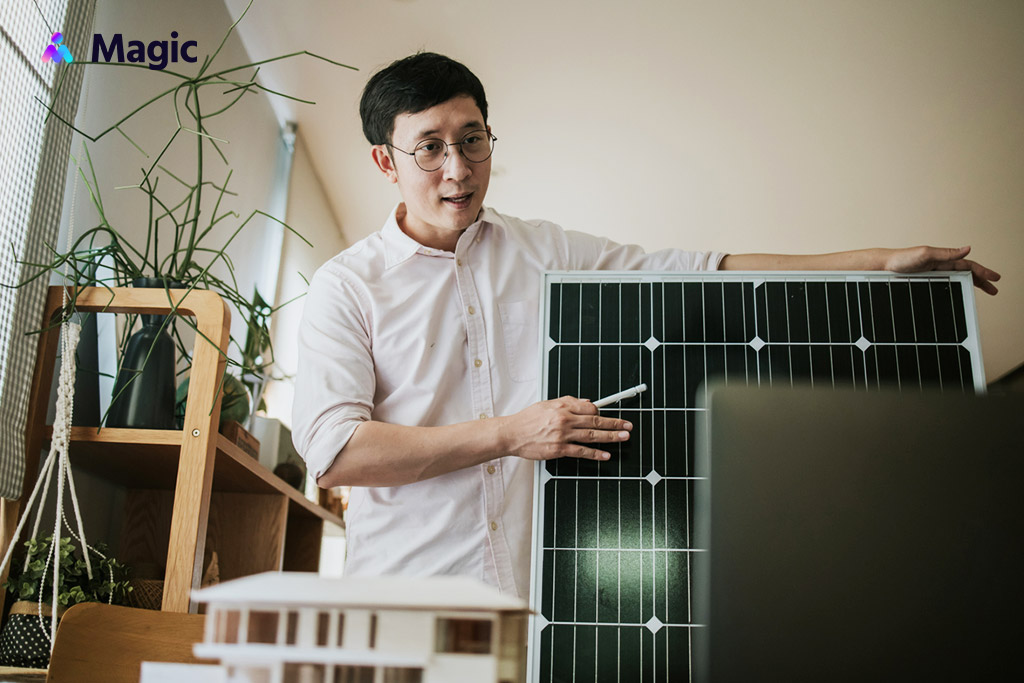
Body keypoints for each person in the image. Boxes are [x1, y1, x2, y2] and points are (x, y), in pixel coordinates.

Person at [292, 52, 1000, 598]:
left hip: (539, 603)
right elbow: (335, 450)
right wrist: (510, 433)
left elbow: (700, 269)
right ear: (385, 161)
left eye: (472, 139)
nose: (458, 168)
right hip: (406, 598)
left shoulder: (545, 251)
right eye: (430, 147)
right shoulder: (347, 286)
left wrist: (878, 263)